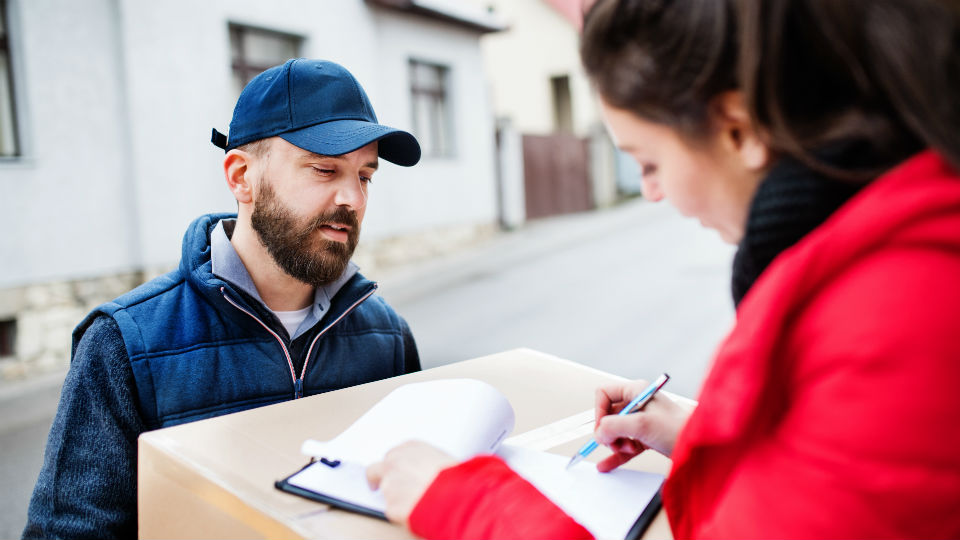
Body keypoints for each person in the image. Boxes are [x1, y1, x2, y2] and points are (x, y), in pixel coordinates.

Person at [365, 0, 960, 538]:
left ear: (737, 128)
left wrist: (462, 505)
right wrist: (697, 433)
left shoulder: (899, 317)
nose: (651, 192)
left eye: (649, 162)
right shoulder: (877, 257)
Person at [23, 58, 423, 539]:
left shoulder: (387, 336)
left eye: (364, 176)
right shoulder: (126, 345)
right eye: (324, 170)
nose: (353, 199)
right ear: (240, 176)